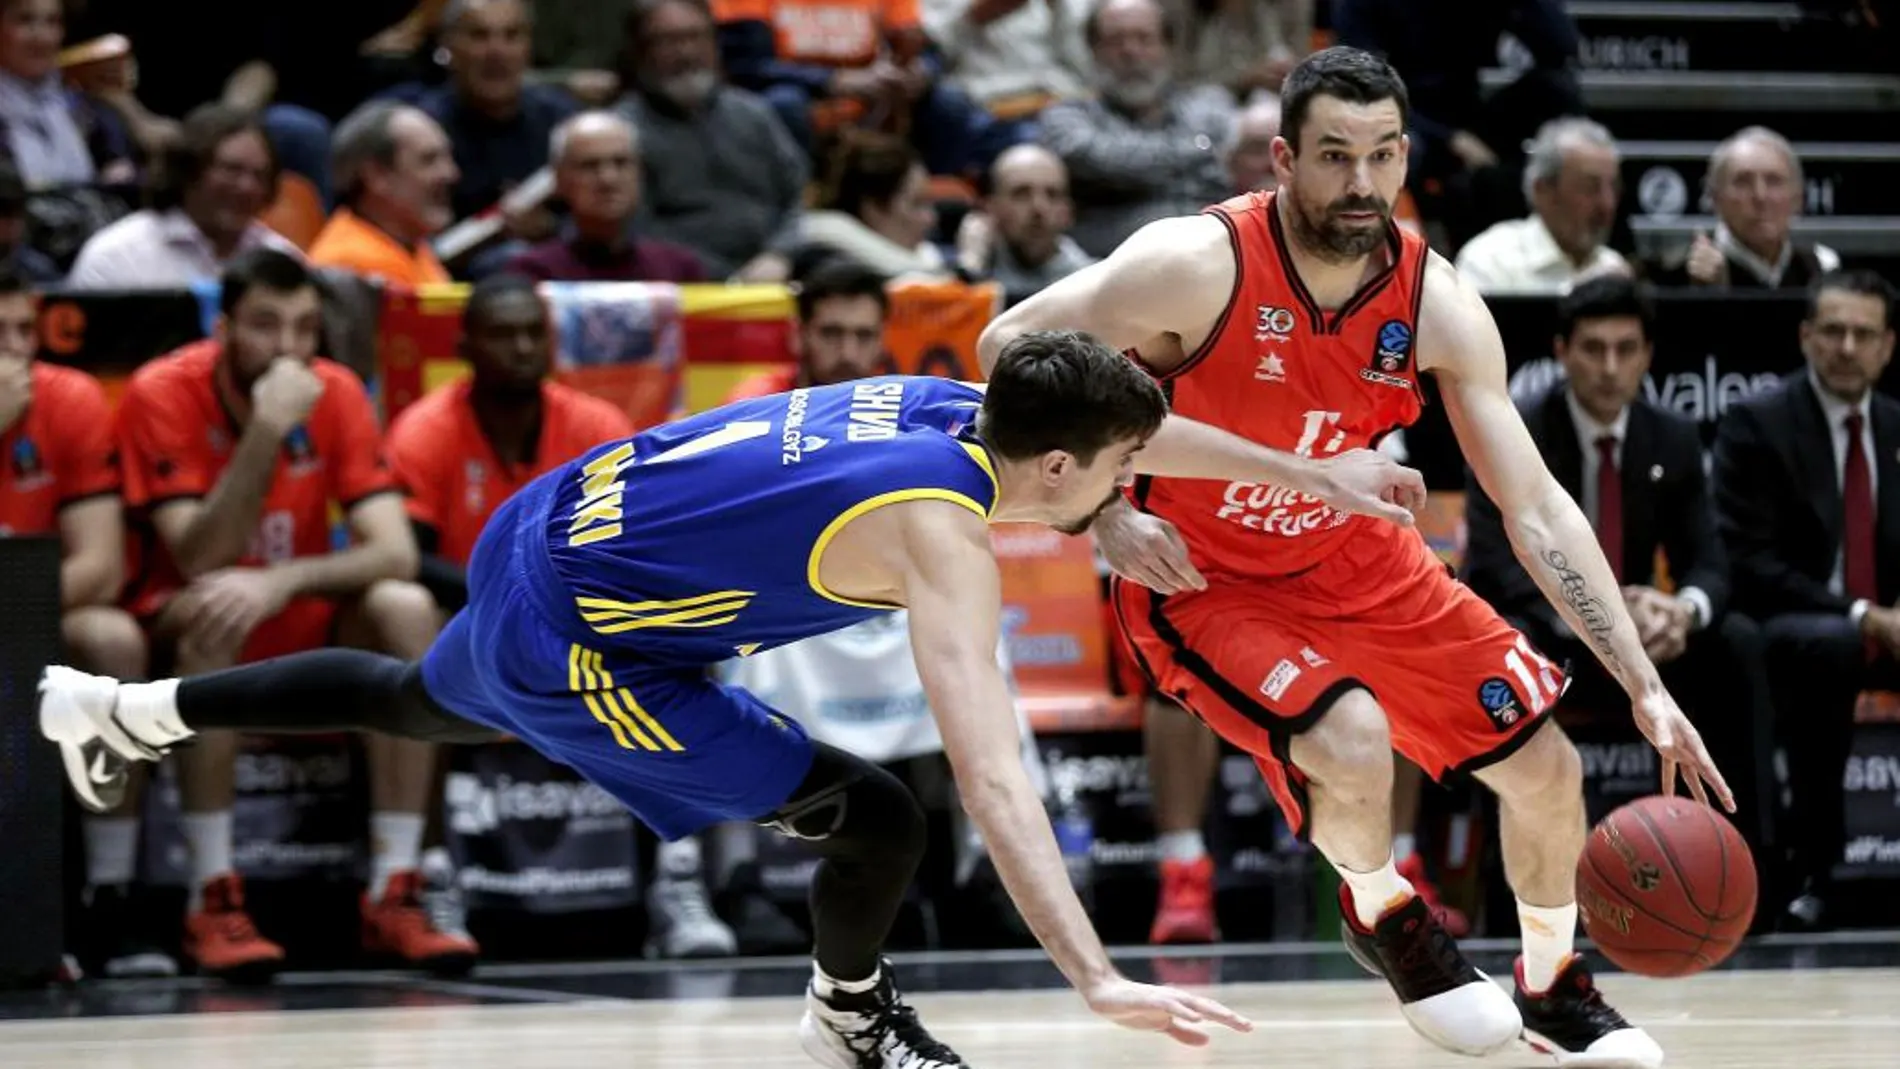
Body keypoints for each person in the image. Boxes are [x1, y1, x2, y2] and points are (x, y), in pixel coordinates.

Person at [42, 331, 1428, 1067]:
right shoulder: (941, 534)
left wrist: (1320, 475)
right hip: (590, 639)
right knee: (882, 813)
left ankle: (128, 708)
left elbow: (1133, 430)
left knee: (420, 697)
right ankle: (848, 1013)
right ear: (1057, 464)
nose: (1140, 480)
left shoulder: (953, 399)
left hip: (549, 530)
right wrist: (1096, 974)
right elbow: (996, 778)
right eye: (1118, 473)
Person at [977, 46, 1730, 1068]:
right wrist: (1099, 513)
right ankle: (1382, 913)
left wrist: (1641, 685)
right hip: (1204, 578)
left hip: (1363, 563)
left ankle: (1550, 983)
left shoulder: (1432, 300)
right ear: (1283, 159)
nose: (1361, 182)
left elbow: (1537, 505)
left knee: (1548, 769)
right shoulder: (1196, 264)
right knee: (1353, 737)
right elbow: (1008, 348)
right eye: (1334, 156)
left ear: (1407, 157)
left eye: (1381, 155)